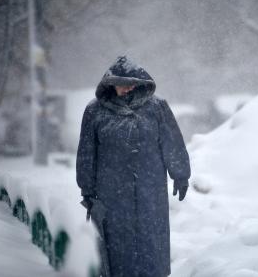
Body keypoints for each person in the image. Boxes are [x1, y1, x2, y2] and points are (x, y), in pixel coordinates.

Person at [76, 55, 191, 277]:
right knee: (117, 250)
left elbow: (172, 142)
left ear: (139, 84)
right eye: (120, 84)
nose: (126, 89)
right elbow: (86, 153)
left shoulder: (157, 107)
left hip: (151, 192)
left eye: (130, 84)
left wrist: (181, 175)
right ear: (111, 84)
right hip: (111, 194)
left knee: (151, 244)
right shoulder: (95, 111)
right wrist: (87, 190)